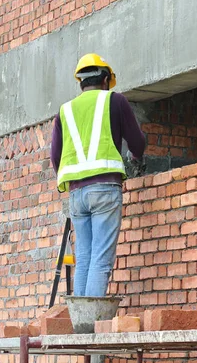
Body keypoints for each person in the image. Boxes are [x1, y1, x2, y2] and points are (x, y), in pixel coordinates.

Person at [51, 53, 145, 297]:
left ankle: (80, 324)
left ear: (81, 82)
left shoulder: (65, 110)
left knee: (84, 259)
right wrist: (136, 158)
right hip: (104, 189)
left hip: (76, 195)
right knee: (101, 260)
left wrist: (75, 179)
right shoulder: (114, 101)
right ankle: (91, 324)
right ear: (105, 80)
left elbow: (55, 158)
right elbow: (137, 142)